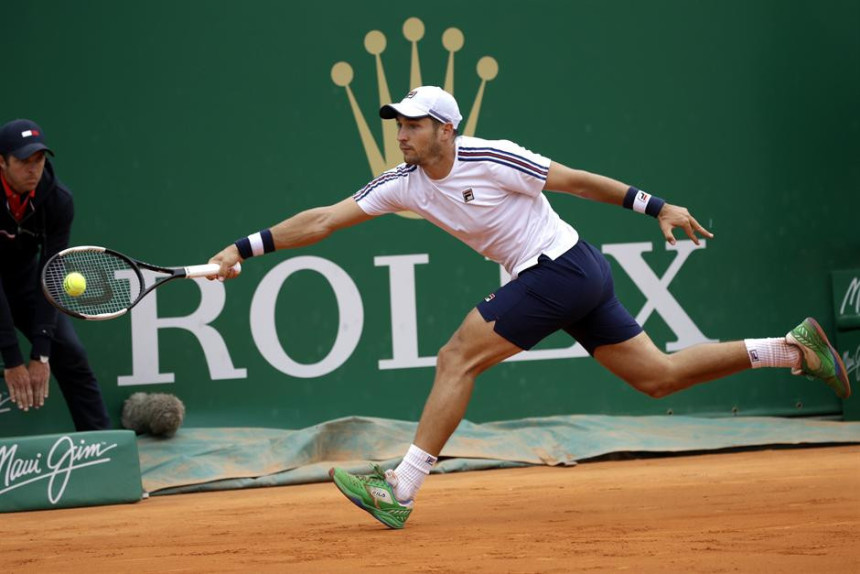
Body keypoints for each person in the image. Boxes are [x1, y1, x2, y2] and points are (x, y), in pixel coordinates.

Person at [208, 86, 850, 529]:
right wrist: (242, 248)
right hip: (573, 274)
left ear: (444, 128)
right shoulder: (400, 184)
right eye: (397, 124)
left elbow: (575, 182)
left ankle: (400, 487)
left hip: (564, 267)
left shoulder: (493, 155)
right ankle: (791, 348)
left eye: (412, 123)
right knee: (659, 377)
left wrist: (659, 207)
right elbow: (322, 220)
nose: (401, 133)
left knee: (457, 356)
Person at [0, 119, 111, 431]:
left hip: (24, 280)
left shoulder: (57, 199)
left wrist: (42, 353)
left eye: (38, 160)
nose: (33, 169)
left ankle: (102, 450)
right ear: (1, 161)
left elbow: (51, 271)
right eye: (23, 162)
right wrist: (12, 358)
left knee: (71, 354)